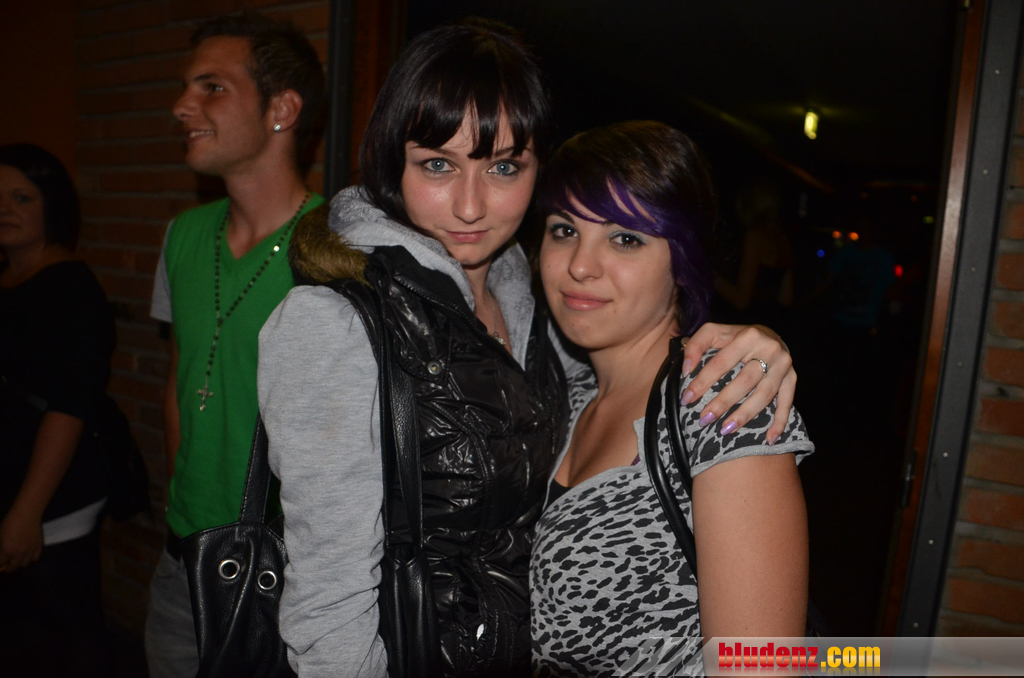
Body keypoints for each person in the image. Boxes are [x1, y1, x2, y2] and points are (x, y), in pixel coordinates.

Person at [258, 21, 799, 677]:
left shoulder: (554, 340)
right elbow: (327, 608)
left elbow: (763, 659)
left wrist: (758, 342)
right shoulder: (338, 323)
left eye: (503, 167)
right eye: (437, 164)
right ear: (391, 167)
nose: (470, 205)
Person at [530, 121, 814, 676]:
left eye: (625, 239)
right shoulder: (570, 393)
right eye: (563, 230)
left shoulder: (720, 404)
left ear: (682, 261)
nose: (580, 265)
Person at [144, 12, 326, 677]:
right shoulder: (182, 235)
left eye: (212, 87)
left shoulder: (338, 248)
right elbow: (180, 375)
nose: (181, 106)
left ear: (282, 109)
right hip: (180, 558)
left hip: (289, 576)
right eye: (186, 87)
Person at [0, 143, 115, 677]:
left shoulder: (71, 289)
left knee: (61, 635)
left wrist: (27, 513)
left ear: (53, 205)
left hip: (53, 496)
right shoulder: (7, 275)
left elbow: (70, 405)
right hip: (13, 483)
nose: (4, 210)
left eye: (21, 197)